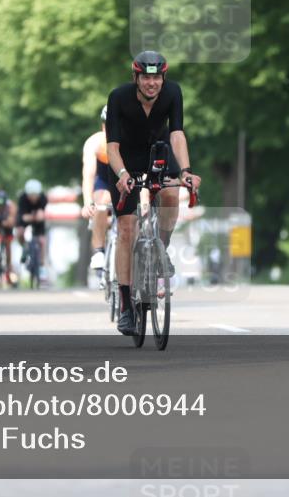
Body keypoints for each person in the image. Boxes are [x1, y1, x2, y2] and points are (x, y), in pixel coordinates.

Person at [106, 51, 202, 335]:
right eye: (146, 77)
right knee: (126, 228)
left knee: (172, 194)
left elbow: (177, 134)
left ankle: (161, 247)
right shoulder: (118, 97)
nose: (152, 83)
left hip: (157, 153)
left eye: (157, 77)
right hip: (125, 159)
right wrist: (122, 175)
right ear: (136, 78)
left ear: (164, 78)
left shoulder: (173, 93)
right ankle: (125, 305)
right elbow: (111, 146)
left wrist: (185, 170)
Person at [81, 105, 114, 280]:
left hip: (126, 176)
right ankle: (99, 251)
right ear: (103, 126)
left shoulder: (134, 139)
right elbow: (88, 175)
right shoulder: (94, 143)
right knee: (102, 201)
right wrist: (87, 203)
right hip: (104, 179)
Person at [16, 178, 47, 274]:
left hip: (38, 220)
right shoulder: (22, 199)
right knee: (20, 232)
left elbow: (42, 214)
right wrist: (32, 217)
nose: (33, 198)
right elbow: (23, 217)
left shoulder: (43, 198)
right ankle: (24, 246)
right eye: (31, 196)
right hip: (25, 217)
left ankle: (41, 261)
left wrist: (37, 216)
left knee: (41, 239)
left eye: (35, 196)